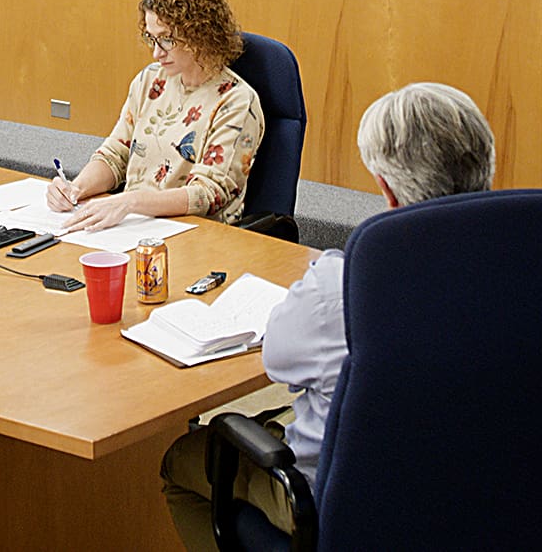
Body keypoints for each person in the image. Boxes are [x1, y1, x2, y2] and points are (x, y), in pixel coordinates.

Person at [159, 82, 497, 551]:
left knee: (182, 461)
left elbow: (278, 360)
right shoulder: (525, 275)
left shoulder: (344, 283)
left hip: (346, 506)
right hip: (484, 494)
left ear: (386, 188)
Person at [46, 0, 264, 232]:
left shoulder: (236, 100)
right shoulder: (150, 80)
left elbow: (208, 194)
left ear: (200, 36)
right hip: (134, 223)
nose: (156, 52)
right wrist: (75, 188)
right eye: (152, 38)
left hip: (195, 232)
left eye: (167, 40)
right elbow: (115, 154)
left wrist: (131, 202)